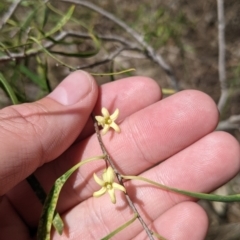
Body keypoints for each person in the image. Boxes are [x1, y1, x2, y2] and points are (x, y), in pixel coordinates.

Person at [0, 71, 239, 240]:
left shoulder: (109, 171)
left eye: (108, 120)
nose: (107, 121)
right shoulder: (109, 171)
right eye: (107, 120)